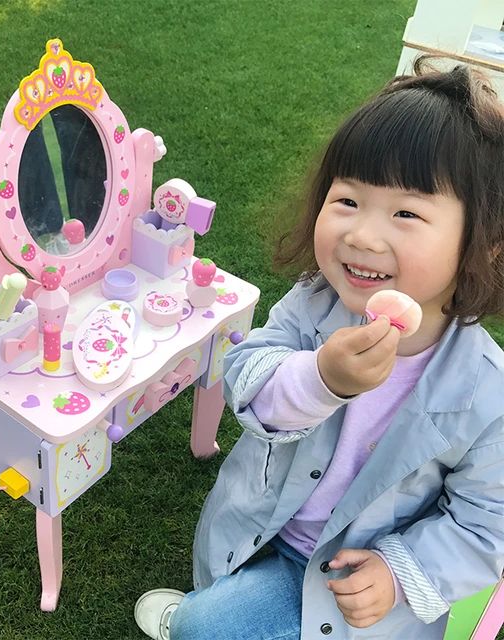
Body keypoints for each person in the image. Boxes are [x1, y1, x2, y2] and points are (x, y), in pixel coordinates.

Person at [134, 58, 504, 639]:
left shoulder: (487, 392)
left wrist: (402, 573)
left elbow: (488, 522)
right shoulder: (314, 305)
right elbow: (246, 373)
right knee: (209, 613)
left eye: (407, 212)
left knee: (202, 629)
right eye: (348, 201)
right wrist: (320, 380)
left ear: (481, 248)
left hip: (351, 585)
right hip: (264, 527)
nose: (361, 233)